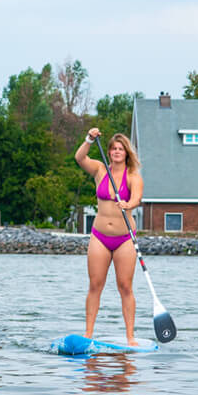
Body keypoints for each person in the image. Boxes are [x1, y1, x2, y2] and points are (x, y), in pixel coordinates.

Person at [75, 127, 145, 346]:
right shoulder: (99, 169)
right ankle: (88, 333)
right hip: (99, 237)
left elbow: (137, 199)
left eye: (120, 149)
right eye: (113, 148)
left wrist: (128, 204)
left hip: (124, 238)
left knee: (125, 286)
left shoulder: (133, 177)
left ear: (126, 153)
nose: (116, 152)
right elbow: (79, 157)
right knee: (95, 284)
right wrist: (88, 139)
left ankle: (130, 337)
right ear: (109, 151)